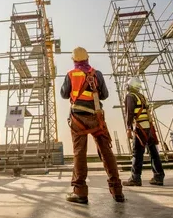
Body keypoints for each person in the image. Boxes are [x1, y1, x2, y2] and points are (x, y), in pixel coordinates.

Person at [61, 47, 124, 204]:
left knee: (79, 152)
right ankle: (117, 191)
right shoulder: (97, 73)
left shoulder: (70, 74)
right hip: (96, 117)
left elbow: (63, 94)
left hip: (78, 119)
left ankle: (80, 192)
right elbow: (105, 95)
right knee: (106, 151)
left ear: (74, 60)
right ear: (87, 59)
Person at [123, 77, 165, 186]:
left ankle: (135, 178)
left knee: (137, 153)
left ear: (129, 86)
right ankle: (159, 176)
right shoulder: (142, 97)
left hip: (140, 127)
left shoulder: (130, 96)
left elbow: (129, 113)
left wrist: (128, 128)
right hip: (149, 127)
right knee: (154, 152)